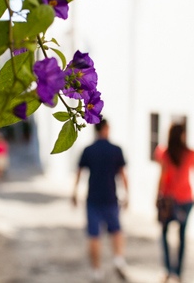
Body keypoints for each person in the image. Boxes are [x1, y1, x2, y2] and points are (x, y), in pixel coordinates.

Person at [73, 119, 129, 281]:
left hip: (93, 199)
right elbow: (123, 174)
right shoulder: (116, 150)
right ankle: (118, 259)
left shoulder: (88, 150)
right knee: (116, 231)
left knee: (94, 236)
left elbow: (79, 173)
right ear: (105, 129)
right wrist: (127, 194)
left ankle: (96, 271)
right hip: (111, 197)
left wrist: (74, 192)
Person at [155, 122, 194, 283]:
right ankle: (178, 273)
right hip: (185, 199)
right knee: (181, 236)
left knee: (164, 234)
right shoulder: (190, 153)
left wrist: (157, 195)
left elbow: (162, 176)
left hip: (169, 199)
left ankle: (168, 270)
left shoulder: (165, 153)